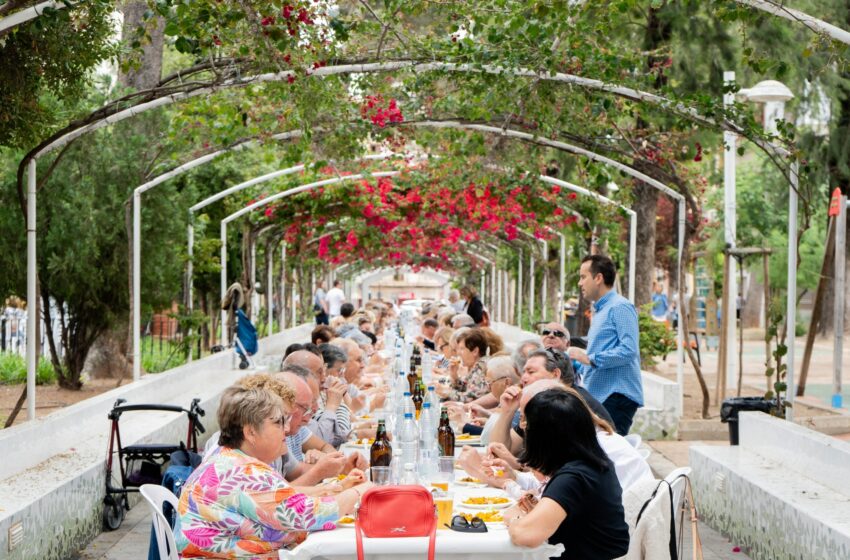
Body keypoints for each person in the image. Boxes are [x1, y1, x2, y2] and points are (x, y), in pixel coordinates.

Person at [175, 374, 372, 558]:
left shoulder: (231, 459)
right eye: (278, 422)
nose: (286, 429)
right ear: (251, 432)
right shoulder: (242, 471)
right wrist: (364, 491)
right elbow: (309, 515)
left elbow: (286, 501)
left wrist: (339, 488)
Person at [504, 390, 630, 559]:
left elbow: (525, 535)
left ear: (542, 438)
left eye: (528, 426)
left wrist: (514, 517)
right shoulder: (594, 464)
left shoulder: (573, 477)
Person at [568, 255, 643, 436]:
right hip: (601, 395)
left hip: (615, 395)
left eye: (583, 276)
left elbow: (628, 350)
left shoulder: (620, 307)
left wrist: (589, 358)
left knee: (610, 454)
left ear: (598, 278)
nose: (580, 283)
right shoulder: (601, 309)